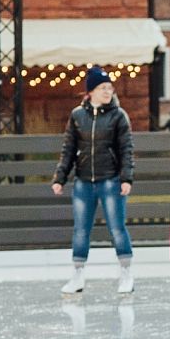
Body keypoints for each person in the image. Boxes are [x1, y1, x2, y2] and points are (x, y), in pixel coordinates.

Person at [52, 67, 135, 296]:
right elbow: (68, 149)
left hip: (110, 180)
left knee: (117, 228)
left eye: (110, 87)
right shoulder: (78, 115)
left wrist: (126, 178)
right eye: (102, 87)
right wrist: (60, 177)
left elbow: (126, 149)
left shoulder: (118, 115)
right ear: (91, 92)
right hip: (83, 182)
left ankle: (126, 273)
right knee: (80, 230)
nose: (108, 91)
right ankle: (78, 275)